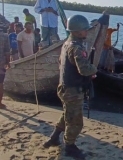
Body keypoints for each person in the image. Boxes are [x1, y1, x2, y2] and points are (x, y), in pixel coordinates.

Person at [43, 15, 97, 158]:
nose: (86, 32)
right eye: (85, 30)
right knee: (75, 121)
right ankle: (70, 146)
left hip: (64, 87)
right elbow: (84, 69)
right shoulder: (76, 48)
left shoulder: (66, 44)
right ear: (78, 31)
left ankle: (54, 137)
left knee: (67, 113)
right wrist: (94, 68)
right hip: (72, 89)